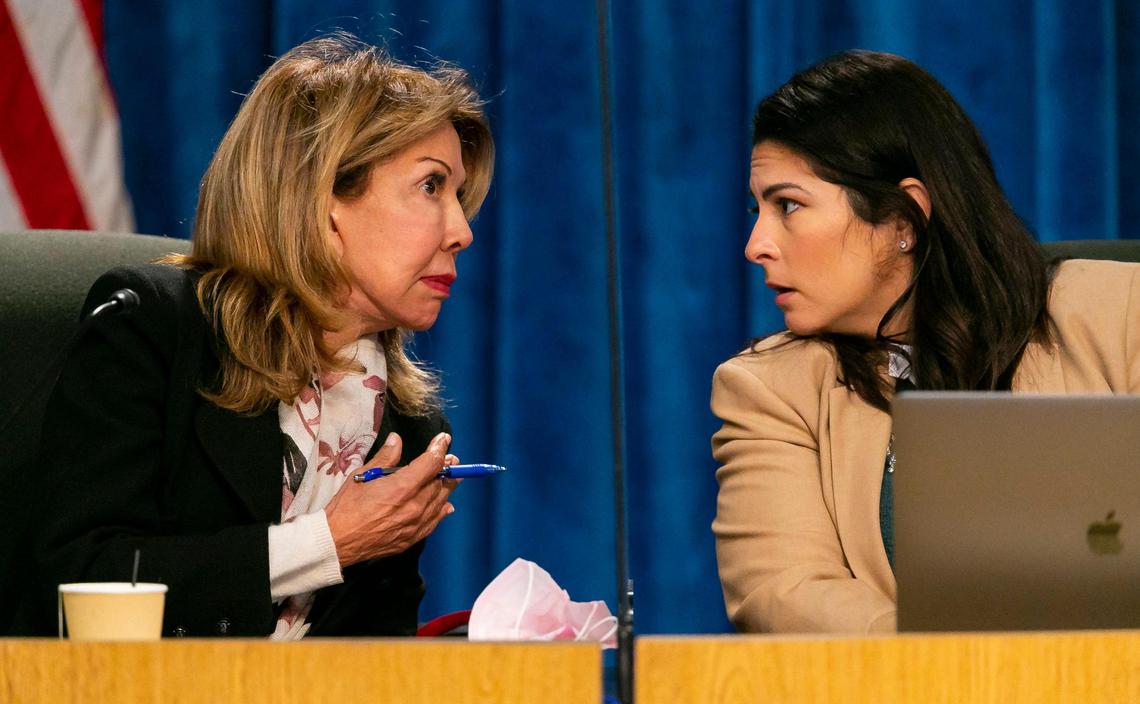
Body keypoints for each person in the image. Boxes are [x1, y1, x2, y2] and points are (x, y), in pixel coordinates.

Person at [13, 34, 494, 638]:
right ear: (322, 197)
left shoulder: (403, 424)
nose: (461, 231)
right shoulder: (153, 332)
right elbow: (78, 576)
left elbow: (372, 659)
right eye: (432, 187)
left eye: (459, 197)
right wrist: (326, 543)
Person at [711, 50, 1140, 634]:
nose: (756, 243)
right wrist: (973, 669)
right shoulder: (768, 389)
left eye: (788, 206)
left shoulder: (1121, 313)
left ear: (903, 219)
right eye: (758, 209)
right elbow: (782, 592)